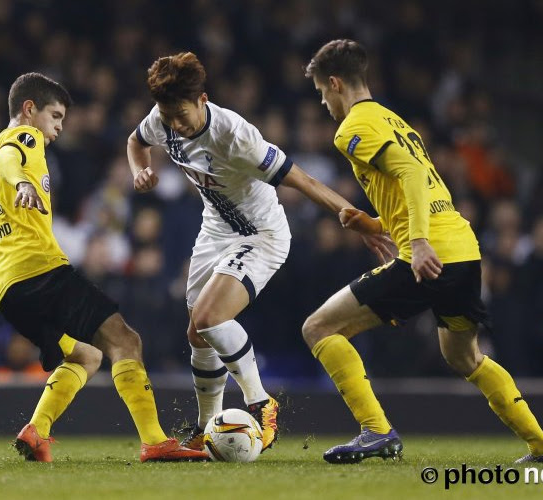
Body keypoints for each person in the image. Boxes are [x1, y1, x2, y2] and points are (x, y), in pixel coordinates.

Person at [302, 40, 543, 464]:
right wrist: (376, 223)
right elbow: (420, 187)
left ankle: (376, 431)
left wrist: (419, 242)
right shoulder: (394, 121)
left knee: (318, 329)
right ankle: (542, 446)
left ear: (335, 83)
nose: (323, 101)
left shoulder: (351, 128)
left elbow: (407, 173)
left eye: (321, 92)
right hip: (462, 249)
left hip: (427, 256)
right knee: (464, 356)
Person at [127, 52, 385, 453]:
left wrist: (350, 214)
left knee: (211, 318)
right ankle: (205, 426)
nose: (175, 125)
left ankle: (261, 403)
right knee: (197, 333)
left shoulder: (235, 136)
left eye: (181, 114)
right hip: (214, 232)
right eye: (167, 115)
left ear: (203, 100)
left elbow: (301, 179)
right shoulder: (163, 119)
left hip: (261, 235)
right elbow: (136, 142)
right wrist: (138, 170)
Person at [0, 72, 208, 463]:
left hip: (8, 292)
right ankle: (155, 441)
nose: (58, 127)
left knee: (87, 357)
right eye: (55, 116)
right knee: (126, 341)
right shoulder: (24, 139)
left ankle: (36, 431)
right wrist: (23, 182)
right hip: (41, 273)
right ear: (29, 109)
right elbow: (13, 158)